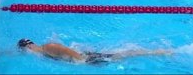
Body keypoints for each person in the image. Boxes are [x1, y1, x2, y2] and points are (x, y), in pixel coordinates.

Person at [17, 39, 172, 64]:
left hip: (86, 59)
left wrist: (82, 62)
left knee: (122, 56)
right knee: (119, 56)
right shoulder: (43, 52)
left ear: (29, 47)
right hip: (85, 59)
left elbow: (65, 50)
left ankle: (158, 52)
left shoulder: (48, 47)